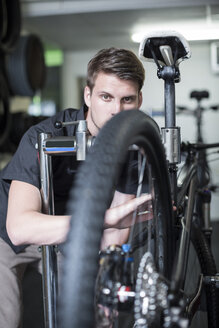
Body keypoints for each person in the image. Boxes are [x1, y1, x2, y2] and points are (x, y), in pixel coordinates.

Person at [0, 47, 149, 327]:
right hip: (7, 234)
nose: (116, 111)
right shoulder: (43, 136)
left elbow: (115, 234)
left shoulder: (133, 149)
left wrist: (108, 283)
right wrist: (102, 220)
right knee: (7, 318)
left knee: (94, 310)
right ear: (88, 95)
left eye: (126, 99)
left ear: (139, 100)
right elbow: (19, 229)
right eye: (106, 97)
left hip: (67, 233)